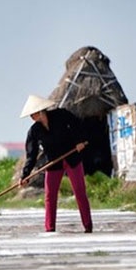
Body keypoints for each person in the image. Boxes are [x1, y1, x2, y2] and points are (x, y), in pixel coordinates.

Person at [19, 94, 93, 233]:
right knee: (50, 195)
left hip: (72, 157)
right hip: (53, 163)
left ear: (40, 111)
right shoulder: (34, 131)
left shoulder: (61, 115)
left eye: (33, 114)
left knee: (79, 191)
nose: (31, 117)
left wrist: (80, 141)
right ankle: (50, 228)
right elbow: (31, 154)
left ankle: (88, 226)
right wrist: (25, 175)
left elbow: (78, 125)